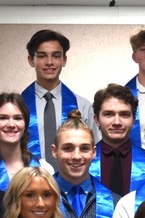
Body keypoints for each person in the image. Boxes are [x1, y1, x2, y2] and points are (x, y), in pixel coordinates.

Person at [23, 29, 94, 171]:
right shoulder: (18, 107)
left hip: (73, 182)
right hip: (29, 182)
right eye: (42, 56)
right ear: (31, 60)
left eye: (56, 56)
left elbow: (92, 151)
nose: (49, 62)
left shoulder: (83, 106)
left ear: (64, 60)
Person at [91, 84, 145, 196]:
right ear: (97, 119)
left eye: (124, 115)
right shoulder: (85, 160)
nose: (117, 122)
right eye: (109, 114)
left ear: (133, 120)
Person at [0, 92, 52, 191]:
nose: (11, 124)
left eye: (17, 118)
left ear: (25, 124)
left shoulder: (44, 168)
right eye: (3, 118)